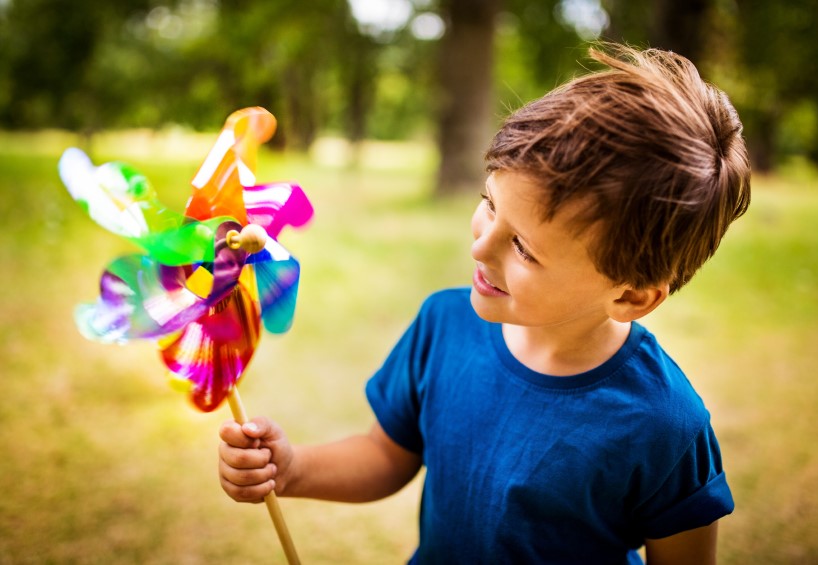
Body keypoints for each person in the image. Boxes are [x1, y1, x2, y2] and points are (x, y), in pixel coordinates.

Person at [218, 43, 751, 564]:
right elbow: (386, 454)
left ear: (630, 294)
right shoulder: (443, 325)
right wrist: (291, 470)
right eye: (488, 203)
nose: (480, 245)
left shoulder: (666, 425)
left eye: (523, 246)